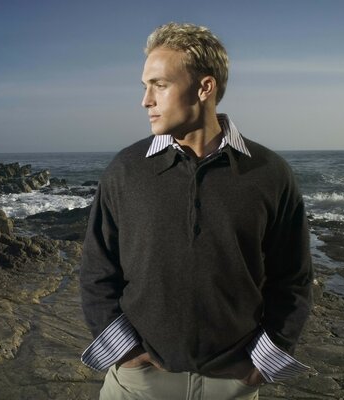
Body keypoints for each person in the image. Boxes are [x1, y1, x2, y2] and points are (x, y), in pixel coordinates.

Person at [80, 22, 313, 400]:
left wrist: (263, 363)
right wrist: (126, 353)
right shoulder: (126, 169)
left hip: (234, 383)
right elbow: (96, 270)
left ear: (205, 88)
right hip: (139, 383)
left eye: (160, 85)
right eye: (145, 86)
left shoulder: (270, 173)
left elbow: (294, 278)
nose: (146, 100)